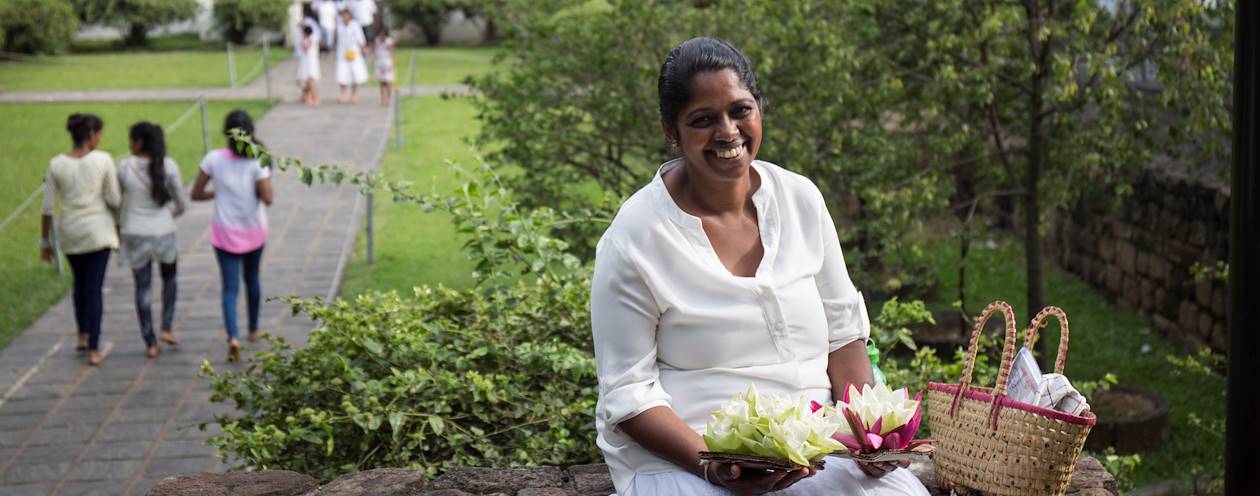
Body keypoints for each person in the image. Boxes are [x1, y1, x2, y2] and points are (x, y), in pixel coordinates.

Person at [589, 38, 930, 495]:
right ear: (671, 130)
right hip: (689, 461)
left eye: (740, 110)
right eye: (703, 120)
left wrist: (867, 438)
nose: (728, 132)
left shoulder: (800, 200)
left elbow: (844, 335)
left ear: (760, 109)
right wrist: (716, 466)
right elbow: (628, 395)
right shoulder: (636, 237)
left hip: (816, 452)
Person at [191, 110, 274, 362]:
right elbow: (268, 199)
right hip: (253, 231)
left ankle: (233, 337)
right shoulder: (257, 161)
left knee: (230, 287)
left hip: (225, 233)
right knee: (253, 279)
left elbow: (195, 193)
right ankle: (253, 328)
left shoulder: (213, 159)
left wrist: (218, 193)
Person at [40, 113, 120, 366]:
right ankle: (95, 348)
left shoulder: (56, 164)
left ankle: (82, 335)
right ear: (92, 135)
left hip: (70, 231)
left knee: (80, 283)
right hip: (97, 231)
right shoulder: (103, 159)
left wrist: (45, 242)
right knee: (94, 287)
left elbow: (47, 208)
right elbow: (115, 199)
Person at [117, 122, 188, 358]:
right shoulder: (168, 166)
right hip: (163, 231)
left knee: (143, 287)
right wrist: (168, 215)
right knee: (170, 279)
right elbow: (182, 204)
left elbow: (117, 205)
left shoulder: (124, 167)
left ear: (138, 142)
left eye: (131, 139)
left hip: (135, 232)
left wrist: (118, 229)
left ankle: (150, 342)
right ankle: (166, 327)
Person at [334, 8, 369, 104]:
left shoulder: (355, 25)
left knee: (355, 73)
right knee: (342, 73)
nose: (344, 18)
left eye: (346, 15)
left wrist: (363, 48)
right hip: (342, 52)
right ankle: (343, 94)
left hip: (354, 51)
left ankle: (354, 94)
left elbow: (361, 39)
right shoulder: (339, 26)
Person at [298, 24, 321, 106]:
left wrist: (302, 39)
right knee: (307, 82)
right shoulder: (311, 39)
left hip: (310, 63)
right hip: (307, 62)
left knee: (311, 81)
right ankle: (308, 96)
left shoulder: (310, 39)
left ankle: (315, 98)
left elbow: (305, 47)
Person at [372, 27, 395, 106]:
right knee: (381, 82)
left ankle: (389, 98)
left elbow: (392, 53)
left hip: (387, 62)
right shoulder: (377, 40)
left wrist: (392, 63)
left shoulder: (389, 42)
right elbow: (375, 50)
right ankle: (383, 98)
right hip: (379, 62)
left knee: (387, 81)